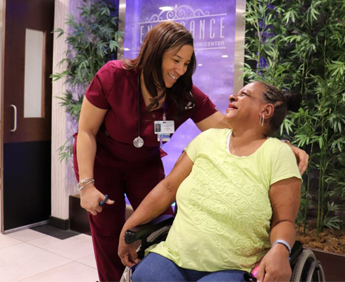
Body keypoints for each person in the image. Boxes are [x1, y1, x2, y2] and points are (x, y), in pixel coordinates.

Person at [74, 21, 308, 282]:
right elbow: (86, 132)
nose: (181, 69)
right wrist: (86, 185)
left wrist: (281, 146)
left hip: (144, 164)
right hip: (102, 163)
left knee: (161, 223)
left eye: (186, 63)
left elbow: (233, 128)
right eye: (175, 60)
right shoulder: (114, 76)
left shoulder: (185, 96)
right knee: (108, 233)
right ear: (154, 52)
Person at [118, 81, 302, 282]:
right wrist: (129, 226)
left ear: (265, 110)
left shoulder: (278, 154)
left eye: (244, 95)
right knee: (145, 277)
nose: (232, 97)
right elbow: (167, 187)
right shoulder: (206, 140)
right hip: (174, 255)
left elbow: (284, 220)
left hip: (233, 267)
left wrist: (280, 250)